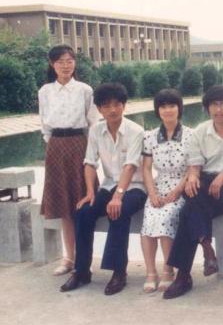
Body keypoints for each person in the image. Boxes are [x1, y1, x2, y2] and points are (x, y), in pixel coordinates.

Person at [163, 85, 223, 299]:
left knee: (188, 211)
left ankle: (185, 274)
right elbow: (194, 164)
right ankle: (206, 249)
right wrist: (193, 176)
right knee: (192, 192)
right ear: (207, 108)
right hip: (204, 182)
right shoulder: (200, 131)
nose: (219, 109)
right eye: (214, 104)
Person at [60, 83, 146, 295]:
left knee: (119, 211)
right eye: (106, 106)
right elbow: (90, 163)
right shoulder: (96, 131)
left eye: (117, 104)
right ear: (99, 109)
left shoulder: (136, 131)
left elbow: (130, 166)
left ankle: (119, 272)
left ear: (124, 105)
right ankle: (82, 271)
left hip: (135, 187)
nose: (112, 110)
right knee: (83, 211)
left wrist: (118, 196)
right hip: (109, 185)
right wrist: (90, 192)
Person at [38, 44, 99, 276]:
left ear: (75, 63)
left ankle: (84, 260)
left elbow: (93, 124)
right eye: (60, 61)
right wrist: (54, 146)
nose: (65, 66)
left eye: (70, 61)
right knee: (64, 207)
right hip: (55, 146)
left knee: (82, 204)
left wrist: (90, 154)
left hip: (78, 145)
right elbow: (44, 125)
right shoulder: (45, 91)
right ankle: (69, 258)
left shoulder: (85, 90)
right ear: (52, 64)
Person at [140, 89, 193, 293]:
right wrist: (152, 193)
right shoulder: (150, 136)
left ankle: (168, 270)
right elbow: (146, 168)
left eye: (172, 106)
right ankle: (150, 272)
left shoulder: (191, 135)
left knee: (165, 216)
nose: (168, 110)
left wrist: (178, 191)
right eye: (163, 106)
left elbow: (193, 167)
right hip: (159, 185)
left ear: (179, 108)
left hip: (182, 186)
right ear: (157, 110)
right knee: (149, 217)